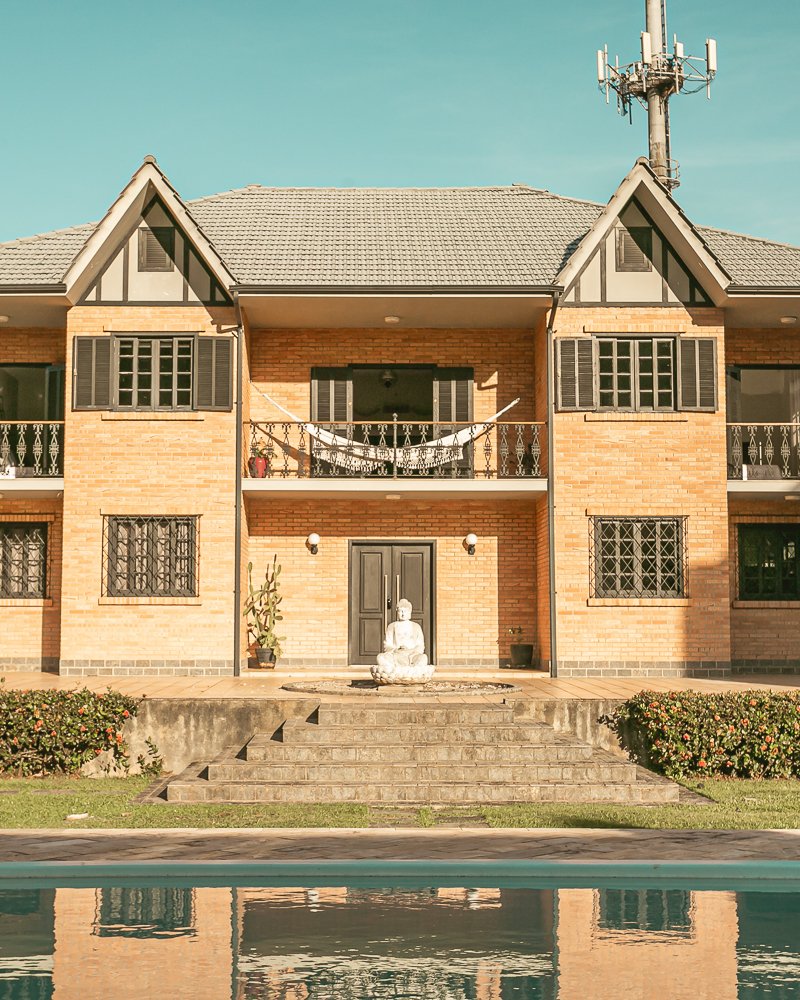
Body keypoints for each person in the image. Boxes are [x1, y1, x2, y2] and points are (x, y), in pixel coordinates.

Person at [372, 598, 433, 684]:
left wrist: (411, 651)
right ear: (397, 612)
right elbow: (387, 645)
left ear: (410, 612)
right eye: (401, 611)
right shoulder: (392, 626)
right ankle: (405, 673)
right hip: (395, 656)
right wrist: (395, 650)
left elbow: (420, 646)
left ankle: (396, 673)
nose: (403, 614)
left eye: (405, 611)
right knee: (380, 657)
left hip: (411, 656)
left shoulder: (416, 627)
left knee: (423, 658)